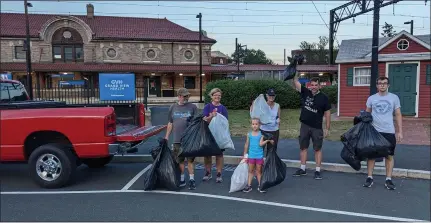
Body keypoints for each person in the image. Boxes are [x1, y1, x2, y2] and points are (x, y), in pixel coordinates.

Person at [363, 76, 402, 190]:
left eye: (384, 83)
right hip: (374, 132)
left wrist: (400, 131)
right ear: (377, 85)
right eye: (380, 83)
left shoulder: (394, 98)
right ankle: (369, 177)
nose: (382, 85)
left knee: (389, 156)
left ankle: (388, 179)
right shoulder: (371, 98)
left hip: (389, 131)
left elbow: (398, 114)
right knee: (371, 155)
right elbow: (367, 115)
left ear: (388, 85)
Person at [291, 76, 331, 180]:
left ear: (319, 86)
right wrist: (295, 69)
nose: (313, 87)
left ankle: (317, 171)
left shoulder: (324, 98)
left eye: (315, 85)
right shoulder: (305, 92)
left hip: (317, 127)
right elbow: (295, 81)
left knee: (317, 149)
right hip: (304, 125)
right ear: (309, 85)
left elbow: (327, 113)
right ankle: (302, 169)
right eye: (312, 85)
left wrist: (327, 128)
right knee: (303, 147)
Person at [164, 88, 198, 190]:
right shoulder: (173, 107)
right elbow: (170, 123)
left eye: (187, 96)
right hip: (177, 139)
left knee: (190, 160)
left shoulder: (193, 107)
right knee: (180, 160)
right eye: (184, 96)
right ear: (179, 96)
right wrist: (166, 136)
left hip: (189, 139)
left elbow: (197, 122)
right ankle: (182, 179)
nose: (186, 98)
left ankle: (192, 180)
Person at [202, 88, 229, 183]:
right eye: (215, 95)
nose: (217, 97)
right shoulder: (207, 107)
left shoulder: (223, 108)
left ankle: (219, 173)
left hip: (219, 135)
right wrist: (211, 116)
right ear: (211, 96)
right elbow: (204, 120)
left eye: (219, 95)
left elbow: (226, 122)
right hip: (208, 133)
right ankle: (208, 172)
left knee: (219, 154)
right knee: (207, 155)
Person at [242, 118, 274, 193]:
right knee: (250, 171)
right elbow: (246, 144)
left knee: (259, 171)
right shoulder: (249, 134)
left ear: (259, 125)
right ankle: (249, 186)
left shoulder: (261, 134)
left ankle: (260, 186)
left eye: (256, 124)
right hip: (251, 156)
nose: (254, 126)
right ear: (251, 125)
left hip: (259, 156)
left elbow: (260, 144)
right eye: (253, 124)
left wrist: (267, 141)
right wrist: (245, 154)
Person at [249, 89, 281, 155]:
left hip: (274, 131)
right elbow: (255, 117)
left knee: (272, 151)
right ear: (266, 96)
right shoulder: (262, 105)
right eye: (270, 95)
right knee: (260, 149)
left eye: (273, 95)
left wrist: (278, 121)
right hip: (263, 131)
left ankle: (269, 165)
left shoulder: (277, 106)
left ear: (275, 96)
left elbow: (278, 117)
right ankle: (259, 164)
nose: (271, 97)